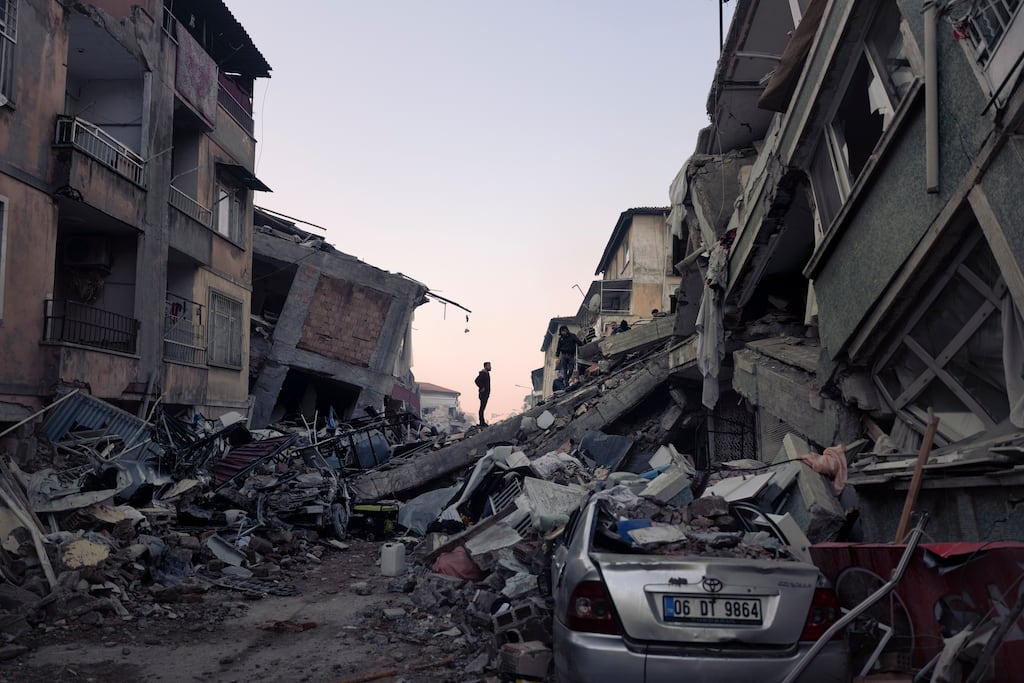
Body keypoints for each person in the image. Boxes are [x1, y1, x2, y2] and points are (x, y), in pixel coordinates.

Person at [474, 361, 491, 427]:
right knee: (482, 408)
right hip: (483, 394)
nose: (490, 367)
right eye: (489, 366)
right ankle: (482, 423)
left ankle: (482, 422)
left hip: (486, 393)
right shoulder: (483, 373)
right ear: (486, 366)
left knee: (482, 408)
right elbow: (476, 380)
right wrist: (482, 387)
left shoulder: (486, 373)